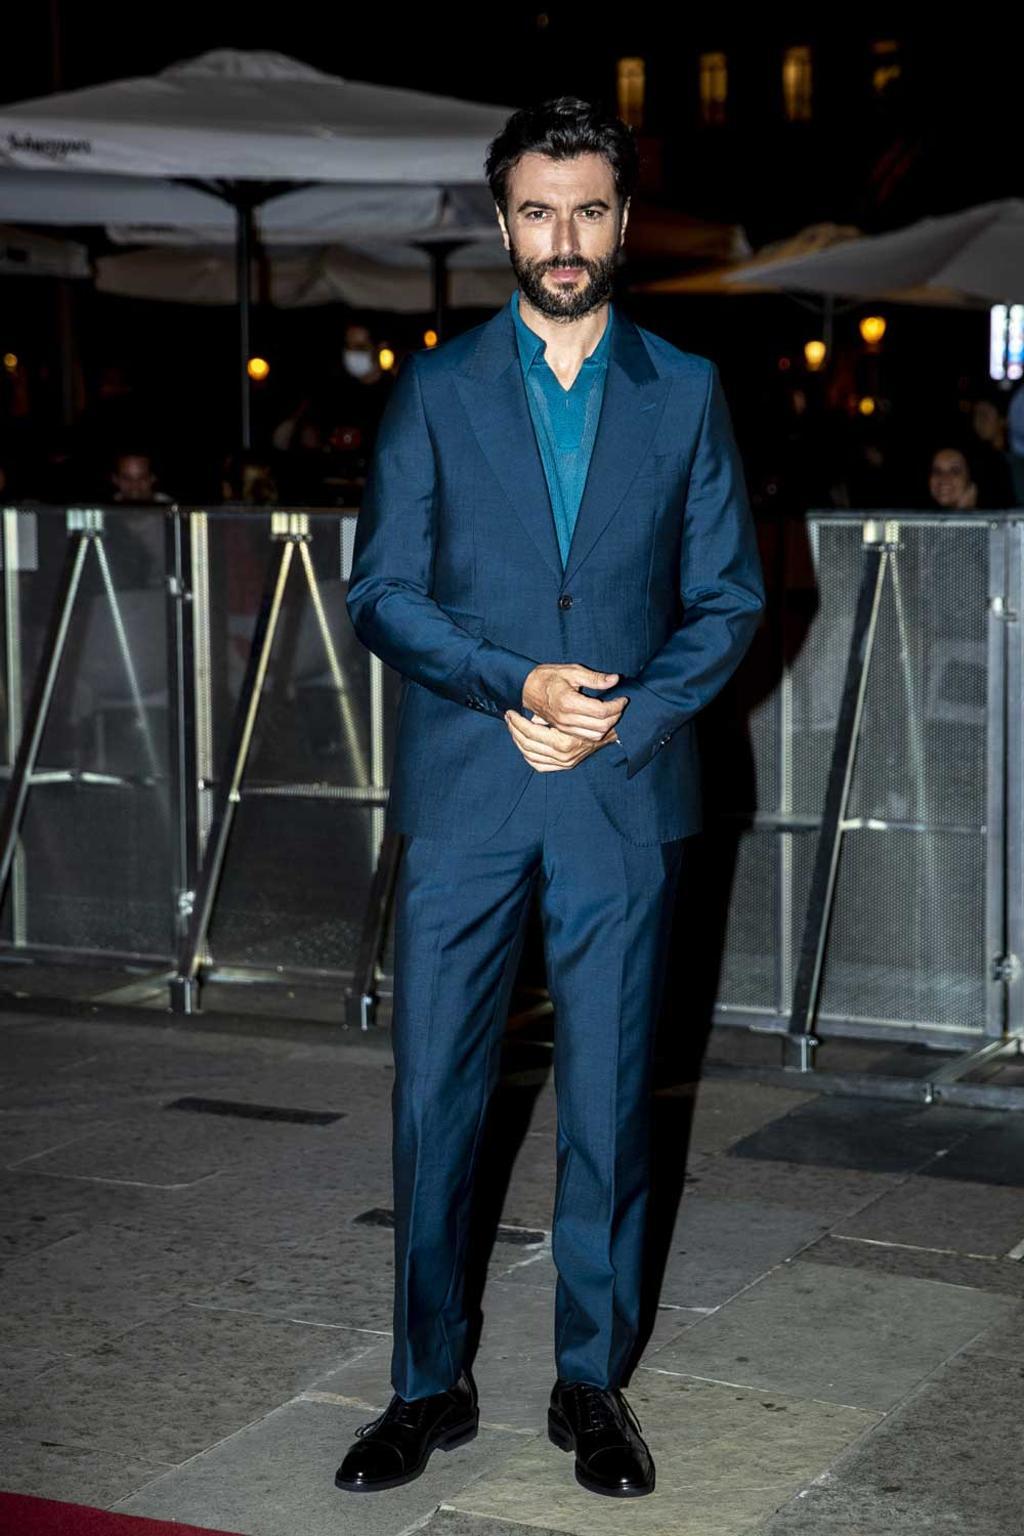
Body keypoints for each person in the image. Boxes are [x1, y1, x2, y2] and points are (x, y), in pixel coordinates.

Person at [336, 96, 765, 1501]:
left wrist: (622, 715)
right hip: (472, 786)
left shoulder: (685, 390)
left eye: (587, 210)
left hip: (621, 791)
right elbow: (382, 592)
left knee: (613, 1103)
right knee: (434, 1098)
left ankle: (592, 1382)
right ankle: (425, 1383)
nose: (563, 237)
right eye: (537, 210)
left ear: (623, 221)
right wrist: (512, 685)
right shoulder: (435, 389)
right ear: (502, 221)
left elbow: (729, 598)